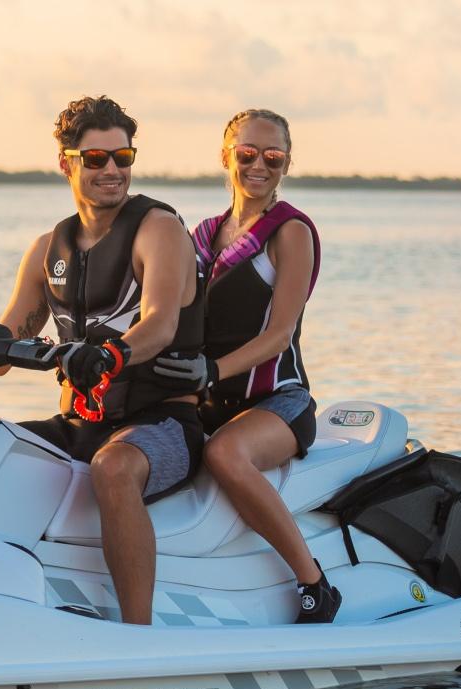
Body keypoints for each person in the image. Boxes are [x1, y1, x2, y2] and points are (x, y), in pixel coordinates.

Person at [0, 95, 206, 626]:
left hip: (162, 424)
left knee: (113, 469)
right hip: (81, 424)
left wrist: (112, 354)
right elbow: (6, 340)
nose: (112, 170)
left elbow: (160, 323)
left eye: (123, 157)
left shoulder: (159, 230)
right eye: (96, 159)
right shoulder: (48, 248)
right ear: (67, 163)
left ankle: (137, 632)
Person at [153, 109, 339, 623]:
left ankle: (314, 583)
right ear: (226, 156)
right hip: (211, 399)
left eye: (273, 156)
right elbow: (168, 313)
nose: (260, 165)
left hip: (278, 402)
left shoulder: (291, 233)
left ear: (286, 163)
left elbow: (280, 335)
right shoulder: (205, 233)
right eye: (247, 154)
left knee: (225, 455)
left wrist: (210, 371)